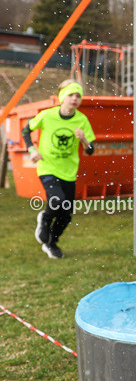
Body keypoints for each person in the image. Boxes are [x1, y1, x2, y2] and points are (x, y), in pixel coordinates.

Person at [22, 81, 95, 259]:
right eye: (71, 95)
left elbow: (90, 150)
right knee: (57, 200)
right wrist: (32, 149)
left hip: (69, 171)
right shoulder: (47, 115)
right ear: (63, 97)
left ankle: (51, 243)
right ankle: (45, 220)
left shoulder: (82, 120)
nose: (75, 99)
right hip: (47, 167)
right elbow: (26, 130)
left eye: (78, 96)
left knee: (66, 215)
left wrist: (84, 139)